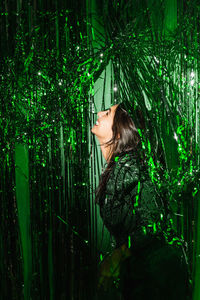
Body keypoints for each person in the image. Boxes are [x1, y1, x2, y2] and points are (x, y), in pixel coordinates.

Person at [91, 102, 192, 300]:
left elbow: (153, 225)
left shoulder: (133, 167)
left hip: (158, 278)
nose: (100, 113)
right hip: (144, 274)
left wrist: (116, 257)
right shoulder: (122, 167)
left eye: (108, 112)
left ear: (119, 132)